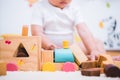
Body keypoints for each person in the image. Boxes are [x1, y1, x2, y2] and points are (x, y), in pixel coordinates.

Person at [31, 0, 106, 60]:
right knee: (35, 51)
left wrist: (93, 49)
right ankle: (84, 57)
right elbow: (37, 32)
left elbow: (83, 30)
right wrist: (49, 45)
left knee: (97, 43)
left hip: (70, 50)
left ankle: (101, 58)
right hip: (48, 51)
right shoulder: (40, 7)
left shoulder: (74, 7)